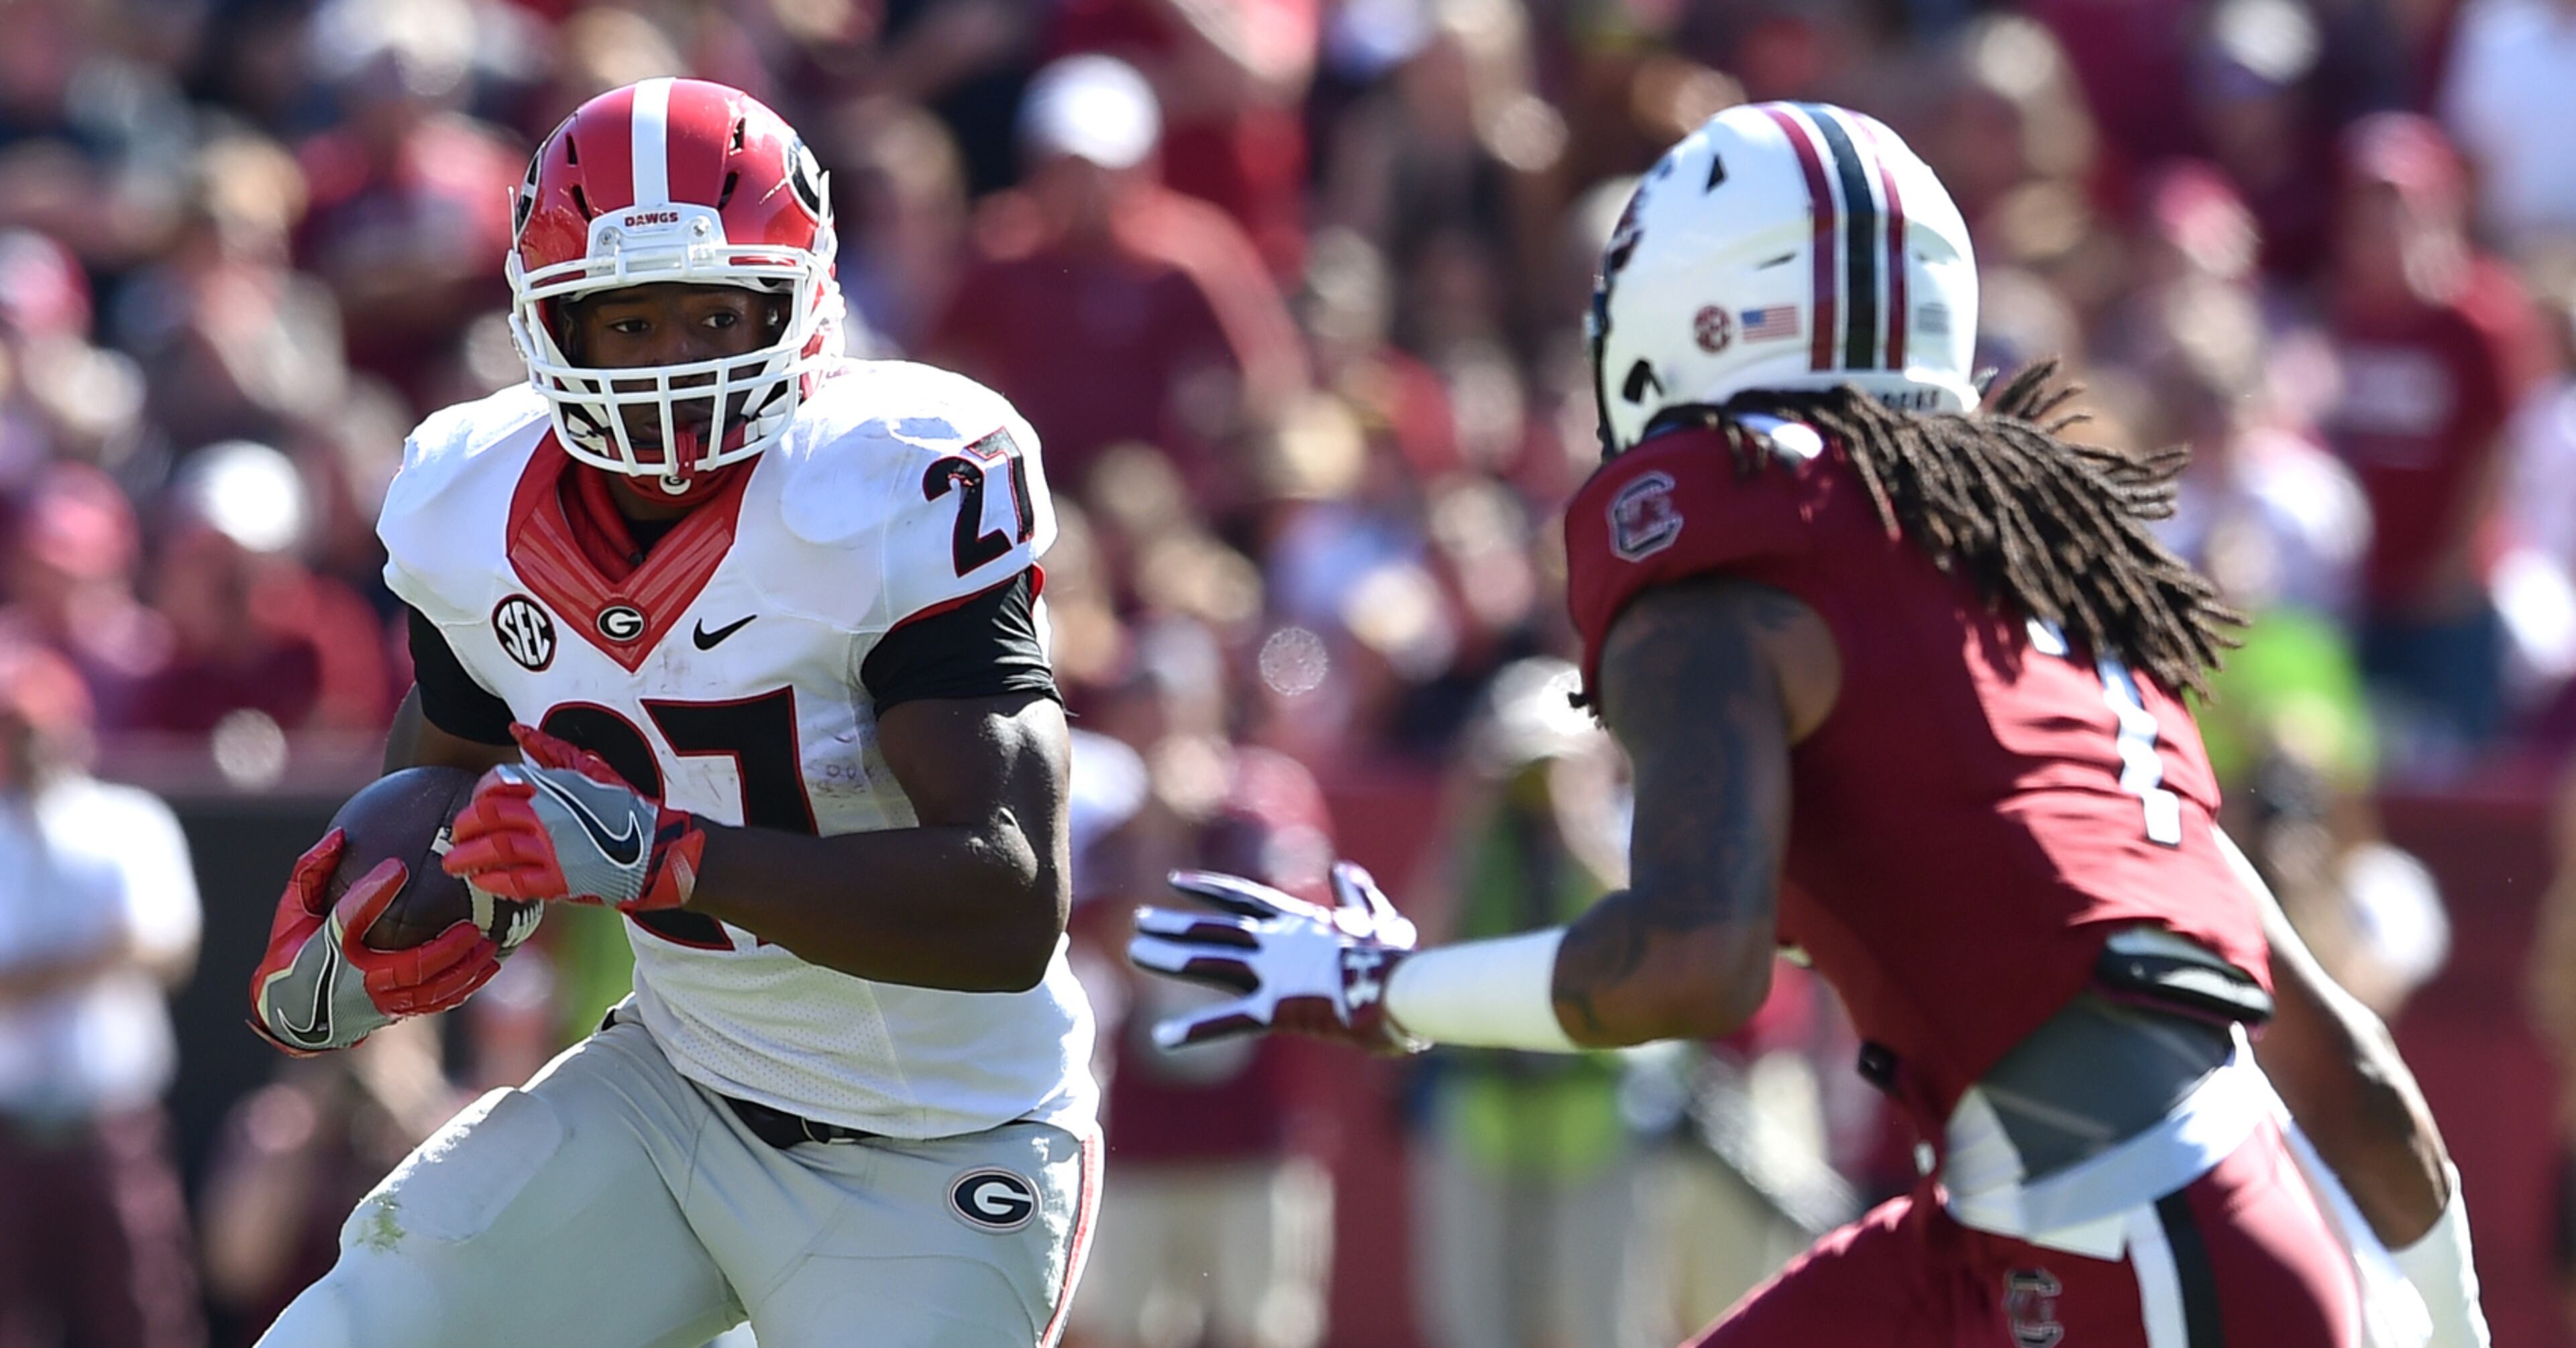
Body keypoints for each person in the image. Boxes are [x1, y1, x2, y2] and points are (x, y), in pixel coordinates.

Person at [1129, 102, 2489, 1347]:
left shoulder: (1733, 572)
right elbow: (2353, 1080)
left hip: (2129, 1258)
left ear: (1703, 305)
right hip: (2158, 1222)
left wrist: (1384, 986)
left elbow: (1688, 963)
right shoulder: (2026, 594)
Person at [244, 78, 1099, 1348]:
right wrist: (403, 913)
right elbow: (455, 778)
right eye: (629, 321)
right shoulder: (467, 503)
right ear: (550, 327)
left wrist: (670, 856)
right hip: (674, 1089)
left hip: (942, 1140)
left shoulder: (900, 479)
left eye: (715, 313)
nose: (673, 365)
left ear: (798, 302)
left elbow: (1005, 901)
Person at [0, 637, 205, 1348]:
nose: (26, 747)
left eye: (35, 727)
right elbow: (121, 949)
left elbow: (170, 949)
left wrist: (41, 972)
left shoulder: (129, 821)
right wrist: (93, 956)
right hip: (9, 1134)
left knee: (145, 1320)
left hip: (112, 1126)